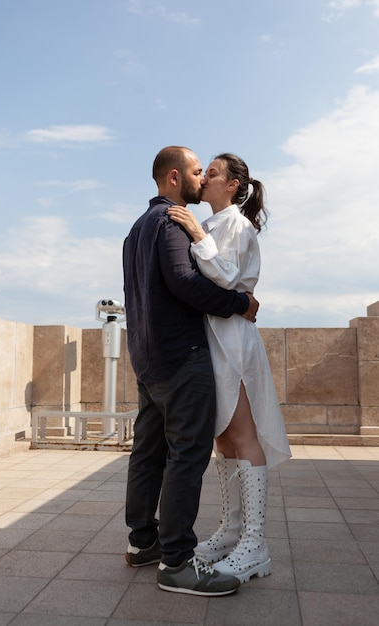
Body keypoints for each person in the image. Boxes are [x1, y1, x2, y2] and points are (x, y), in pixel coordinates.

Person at [122, 146, 260, 596]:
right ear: (176, 178)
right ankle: (178, 562)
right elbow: (186, 283)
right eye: (199, 171)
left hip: (146, 360)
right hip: (181, 357)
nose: (203, 178)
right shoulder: (171, 220)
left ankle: (143, 542)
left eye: (210, 172)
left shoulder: (135, 230)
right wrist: (240, 303)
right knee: (188, 456)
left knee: (148, 454)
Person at [167, 152, 291, 584]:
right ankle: (231, 530)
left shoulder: (234, 224)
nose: (204, 180)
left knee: (242, 435)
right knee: (223, 441)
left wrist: (197, 232)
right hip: (212, 341)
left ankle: (255, 543)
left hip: (233, 341)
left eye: (212, 174)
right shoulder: (219, 223)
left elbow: (223, 276)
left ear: (232, 186)